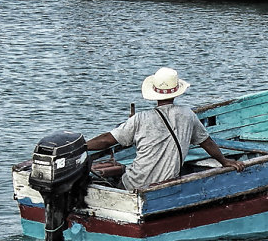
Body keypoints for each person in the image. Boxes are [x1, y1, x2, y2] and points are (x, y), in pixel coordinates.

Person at [86, 68, 244, 190]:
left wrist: (82, 145)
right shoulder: (188, 115)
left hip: (134, 183)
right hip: (166, 185)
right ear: (176, 93)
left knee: (119, 180)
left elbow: (106, 140)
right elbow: (207, 142)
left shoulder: (139, 119)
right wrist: (224, 161)